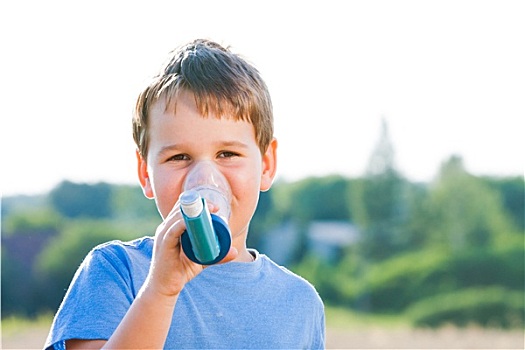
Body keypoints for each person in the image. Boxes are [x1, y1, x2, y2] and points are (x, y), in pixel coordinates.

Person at [44, 38, 325, 349]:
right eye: (179, 157)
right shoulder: (115, 271)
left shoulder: (300, 303)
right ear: (145, 173)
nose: (204, 179)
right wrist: (161, 291)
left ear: (266, 164)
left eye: (227, 154)